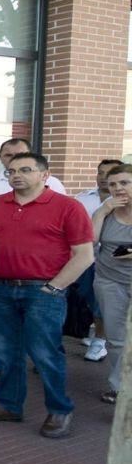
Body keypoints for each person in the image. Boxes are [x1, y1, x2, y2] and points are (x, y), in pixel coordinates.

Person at [0, 152, 93, 439]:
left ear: (44, 175)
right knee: (6, 352)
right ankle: (9, 405)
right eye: (11, 170)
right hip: (1, 288)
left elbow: (84, 255)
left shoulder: (68, 207)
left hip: (43, 292)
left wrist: (54, 288)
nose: (17, 175)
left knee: (45, 353)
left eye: (26, 169)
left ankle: (59, 409)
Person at [0, 138, 66, 382]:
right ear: (1, 158)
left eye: (20, 155)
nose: (13, 160)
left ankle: (43, 370)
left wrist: (58, 279)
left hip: (40, 273)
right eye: (7, 156)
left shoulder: (54, 185)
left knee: (40, 324)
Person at [73, 159, 124, 363]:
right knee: (87, 299)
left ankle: (100, 341)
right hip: (86, 260)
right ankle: (93, 333)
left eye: (110, 173)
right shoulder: (83, 199)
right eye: (100, 172)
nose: (104, 177)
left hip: (116, 266)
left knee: (102, 306)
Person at [91, 163, 132, 405]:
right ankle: (120, 389)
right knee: (116, 339)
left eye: (124, 183)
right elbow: (90, 240)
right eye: (113, 184)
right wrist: (101, 212)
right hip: (109, 281)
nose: (118, 188)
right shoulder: (106, 210)